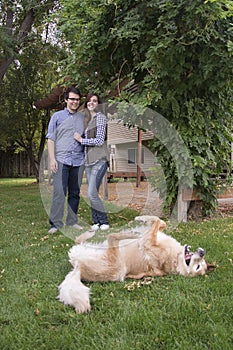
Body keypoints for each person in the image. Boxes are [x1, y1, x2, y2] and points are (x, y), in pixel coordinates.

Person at [46, 86, 85, 234]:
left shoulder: (82, 118)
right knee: (59, 192)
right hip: (61, 160)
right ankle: (55, 224)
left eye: (77, 99)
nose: (75, 102)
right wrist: (52, 159)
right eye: (72, 99)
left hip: (78, 160)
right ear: (66, 100)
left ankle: (72, 221)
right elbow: (51, 139)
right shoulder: (57, 117)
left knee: (74, 192)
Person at [74, 93, 110, 231]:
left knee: (91, 193)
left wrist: (81, 140)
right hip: (89, 162)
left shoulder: (100, 118)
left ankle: (104, 221)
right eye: (89, 101)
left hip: (99, 160)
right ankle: (96, 222)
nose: (91, 103)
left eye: (94, 101)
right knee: (92, 192)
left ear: (98, 104)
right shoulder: (88, 120)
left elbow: (100, 140)